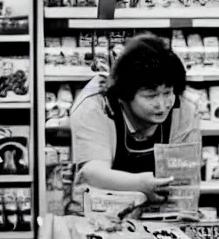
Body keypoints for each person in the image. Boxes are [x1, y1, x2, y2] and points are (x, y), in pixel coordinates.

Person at [66, 33, 203, 214]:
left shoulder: (183, 111)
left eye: (167, 92)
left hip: (157, 218)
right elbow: (92, 173)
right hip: (97, 213)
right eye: (150, 96)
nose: (162, 105)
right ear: (125, 95)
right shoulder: (96, 106)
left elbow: (183, 182)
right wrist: (139, 184)